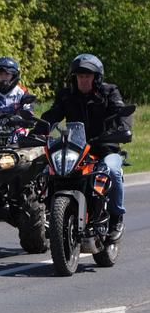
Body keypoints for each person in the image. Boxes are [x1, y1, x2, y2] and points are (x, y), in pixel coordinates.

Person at [40, 53, 132, 242]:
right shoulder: (66, 96)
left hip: (105, 148)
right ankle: (47, 215)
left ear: (96, 78)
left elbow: (120, 113)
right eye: (80, 76)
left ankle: (116, 217)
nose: (83, 80)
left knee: (112, 171)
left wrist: (123, 130)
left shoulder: (109, 92)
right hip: (76, 149)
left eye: (87, 76)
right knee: (44, 170)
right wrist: (37, 130)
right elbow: (52, 115)